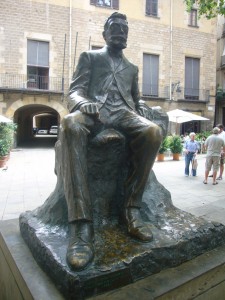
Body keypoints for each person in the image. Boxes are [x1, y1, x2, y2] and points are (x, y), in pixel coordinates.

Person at [60, 12, 162, 271]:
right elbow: (74, 91)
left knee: (152, 132)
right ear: (105, 34)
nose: (120, 31)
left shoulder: (133, 68)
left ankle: (131, 210)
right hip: (94, 112)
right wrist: (84, 104)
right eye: (115, 27)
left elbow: (135, 98)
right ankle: (81, 227)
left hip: (124, 114)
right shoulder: (90, 57)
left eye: (124, 28)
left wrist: (143, 107)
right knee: (70, 123)